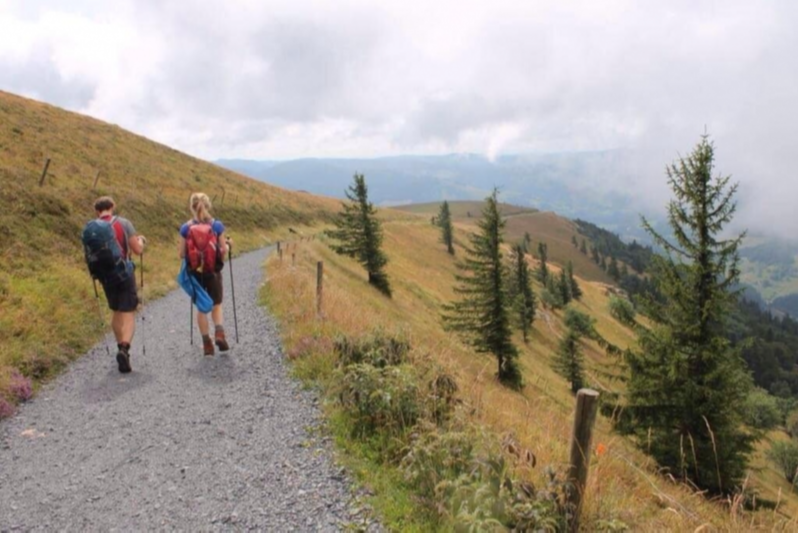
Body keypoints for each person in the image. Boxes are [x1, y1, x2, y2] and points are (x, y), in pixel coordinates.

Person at [92, 197, 146, 373]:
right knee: (128, 311)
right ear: (112, 207)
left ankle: (118, 346)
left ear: (97, 211)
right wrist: (141, 242)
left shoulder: (92, 228)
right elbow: (137, 250)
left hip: (105, 277)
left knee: (116, 310)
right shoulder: (123, 223)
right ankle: (125, 348)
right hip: (125, 273)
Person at [180, 193, 231, 357]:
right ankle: (219, 333)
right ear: (208, 205)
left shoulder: (186, 228)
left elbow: (181, 254)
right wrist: (229, 245)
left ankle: (207, 344)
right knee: (216, 304)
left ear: (192, 207)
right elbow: (222, 251)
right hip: (213, 271)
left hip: (195, 272)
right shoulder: (217, 226)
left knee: (202, 307)